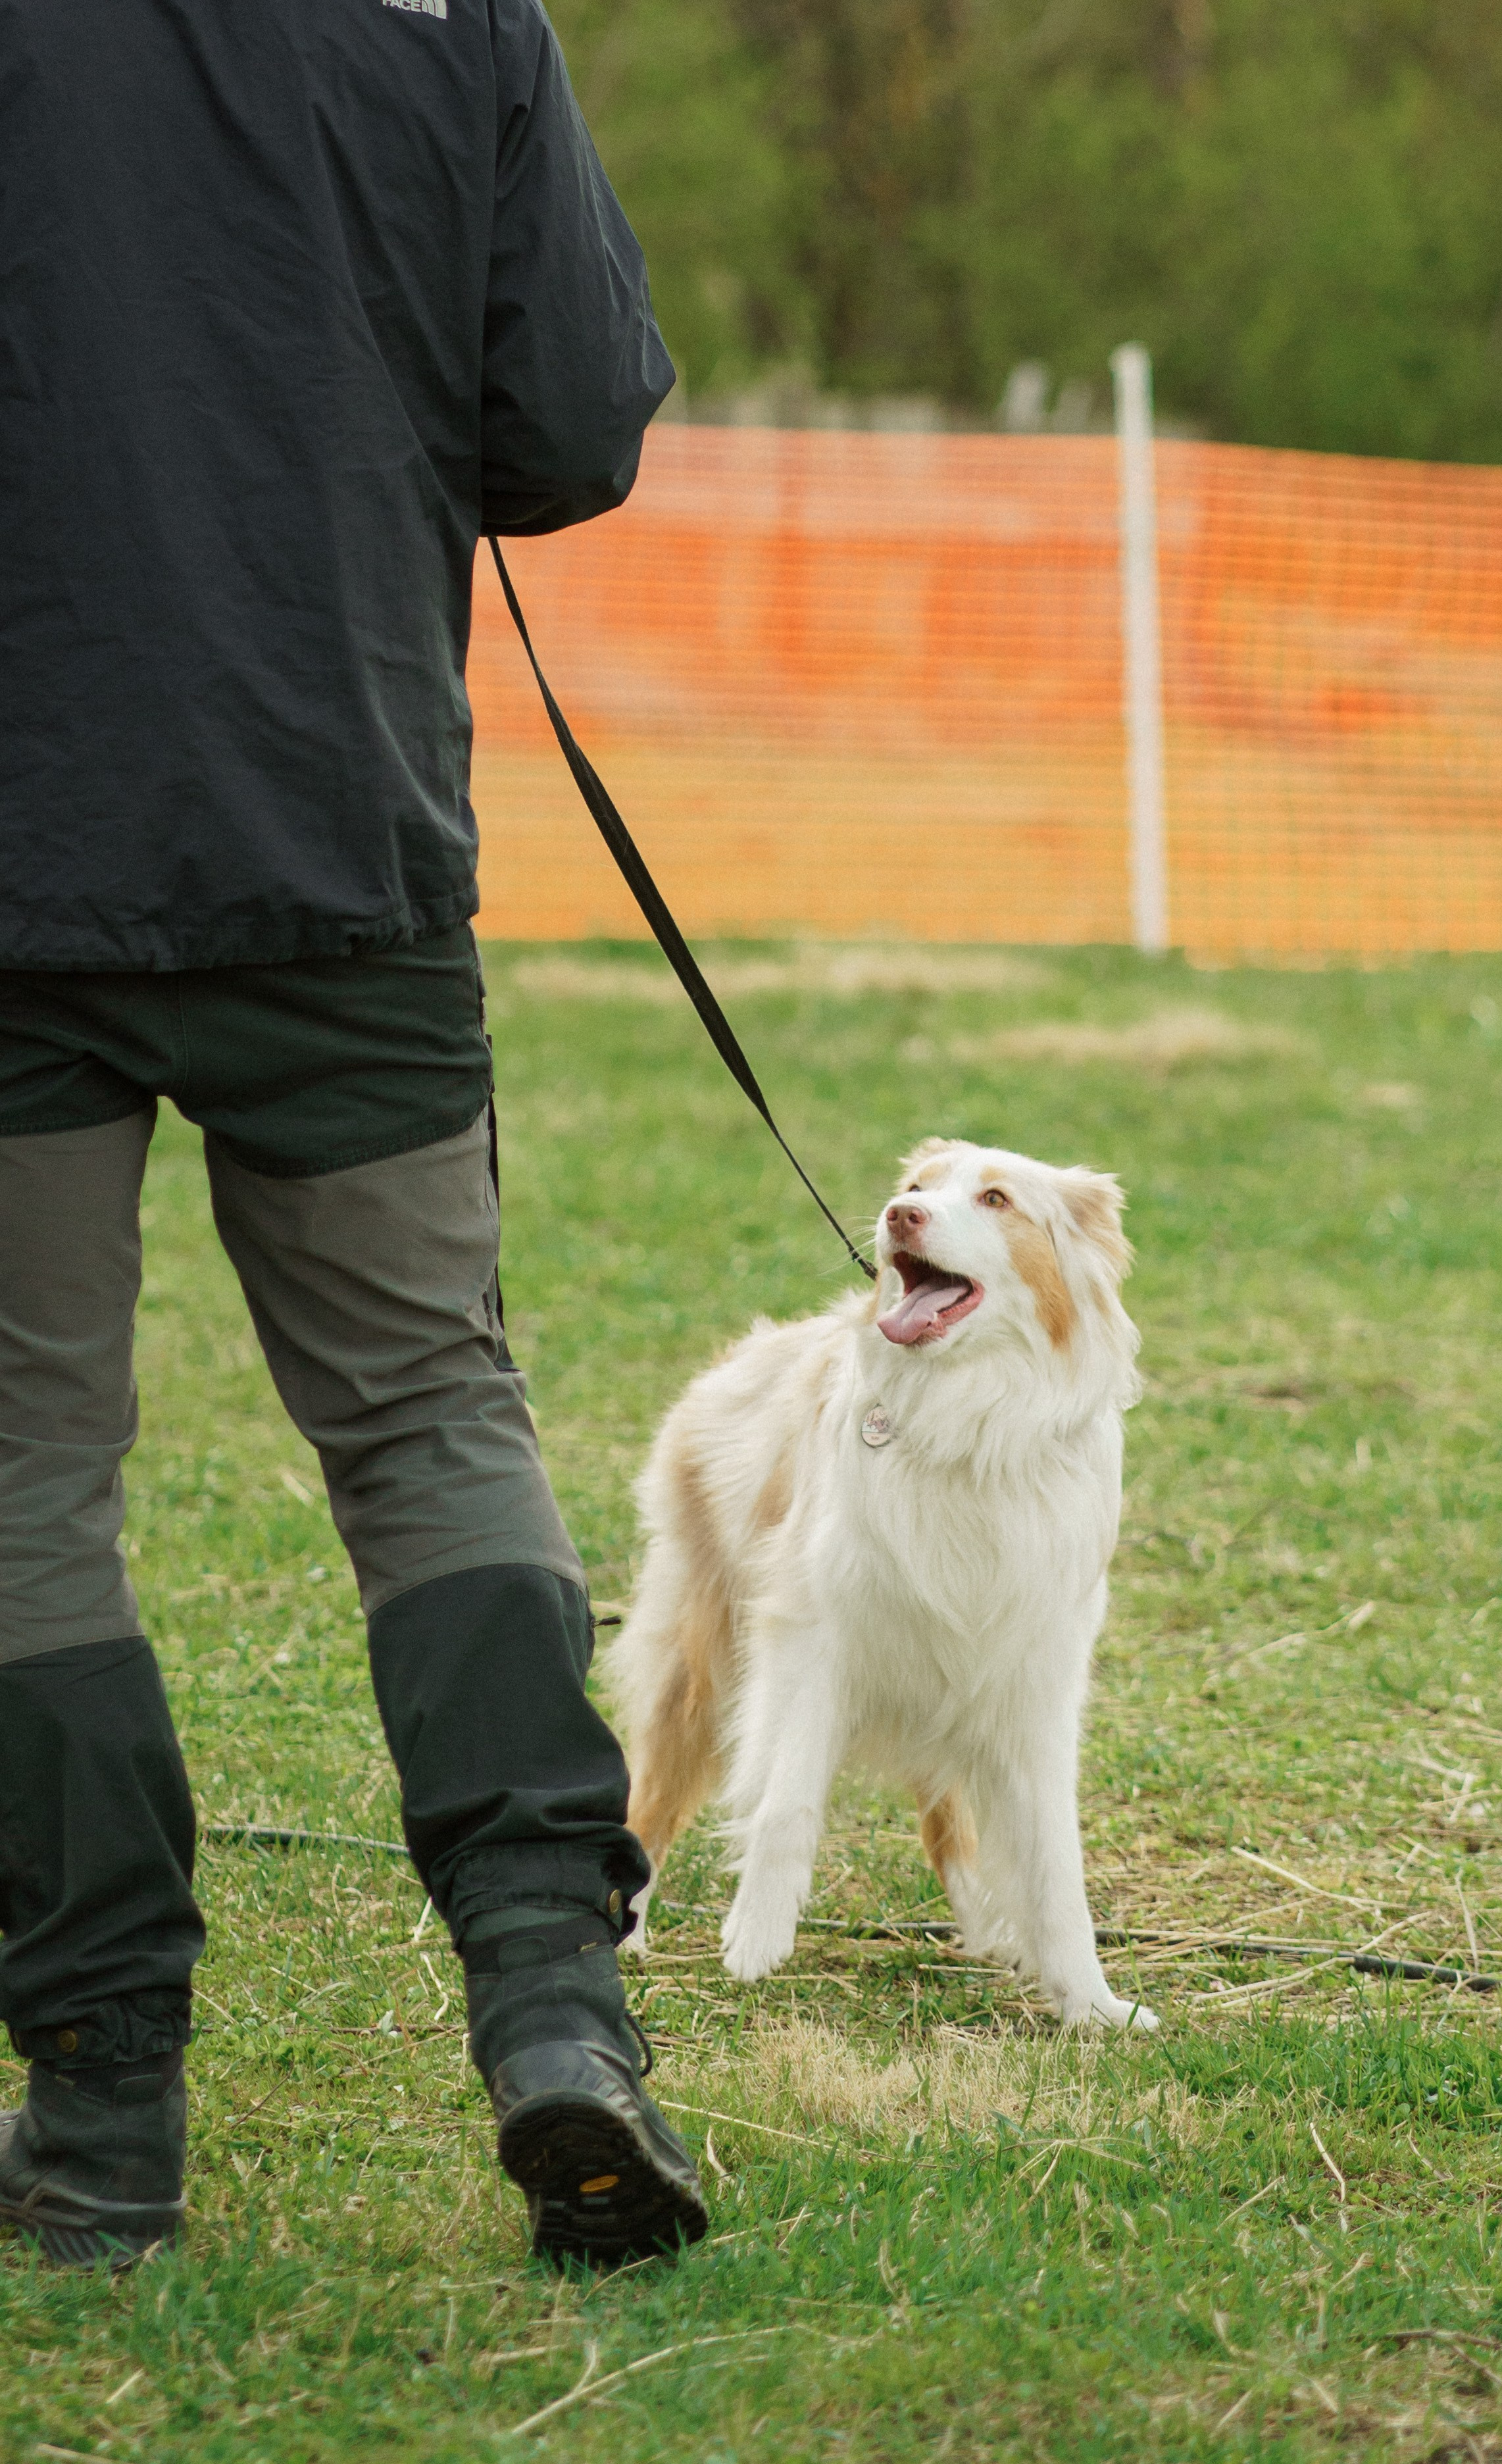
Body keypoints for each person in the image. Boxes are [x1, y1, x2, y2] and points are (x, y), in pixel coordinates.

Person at [0, 0, 706, 2269]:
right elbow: (570, 426)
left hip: (28, 844)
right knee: (425, 1419)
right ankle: (555, 2015)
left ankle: (104, 2123)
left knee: (22, 1473)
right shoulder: (455, 11)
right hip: (345, 830)